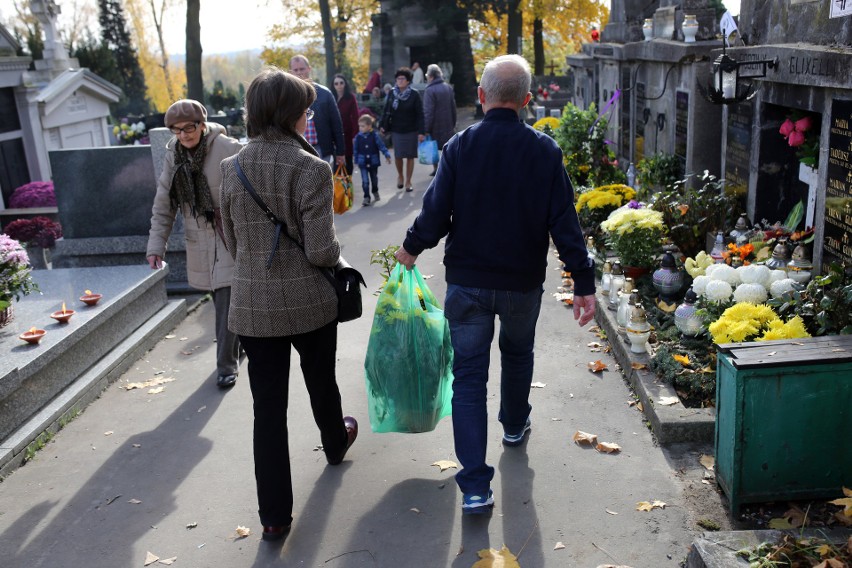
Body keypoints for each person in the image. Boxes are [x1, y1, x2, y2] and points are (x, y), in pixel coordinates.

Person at [393, 55, 596, 516]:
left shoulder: (460, 147)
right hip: (521, 283)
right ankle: (513, 425)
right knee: (518, 353)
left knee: (468, 377)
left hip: (467, 283)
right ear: (526, 101)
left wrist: (410, 249)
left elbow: (435, 212)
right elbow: (564, 222)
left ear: (481, 97)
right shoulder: (545, 151)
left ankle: (476, 487)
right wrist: (582, 282)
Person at [218, 68, 358, 541]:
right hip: (309, 302)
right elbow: (321, 250)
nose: (308, 115)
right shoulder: (311, 168)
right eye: (305, 108)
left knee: (267, 411)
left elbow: (234, 244)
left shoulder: (229, 168)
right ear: (292, 114)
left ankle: (274, 517)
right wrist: (341, 260)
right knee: (322, 381)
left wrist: (260, 269)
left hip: (254, 307)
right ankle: (336, 444)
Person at [146, 99, 242, 389]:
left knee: (226, 301)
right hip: (199, 239)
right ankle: (242, 345)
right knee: (222, 300)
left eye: (189, 128)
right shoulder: (173, 157)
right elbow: (164, 205)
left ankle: (226, 366)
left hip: (229, 237)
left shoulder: (228, 148)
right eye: (177, 130)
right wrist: (155, 246)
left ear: (202, 124)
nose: (184, 135)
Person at [289, 55, 345, 168]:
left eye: (302, 69)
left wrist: (341, 151)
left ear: (309, 69)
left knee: (322, 184)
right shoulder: (286, 95)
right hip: (297, 148)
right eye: (296, 70)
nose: (299, 72)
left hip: (321, 148)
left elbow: (336, 124)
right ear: (290, 72)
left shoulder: (325, 93)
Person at [379, 67, 424, 193]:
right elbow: (386, 111)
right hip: (396, 130)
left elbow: (420, 114)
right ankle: (400, 176)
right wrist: (382, 125)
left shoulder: (414, 94)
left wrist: (421, 132)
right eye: (398, 78)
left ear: (408, 80)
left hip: (411, 129)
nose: (399, 80)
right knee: (398, 155)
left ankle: (408, 181)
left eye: (402, 78)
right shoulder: (392, 93)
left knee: (410, 156)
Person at [423, 64, 457, 177]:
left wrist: (426, 128)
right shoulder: (448, 87)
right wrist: (453, 122)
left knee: (434, 148)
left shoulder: (430, 90)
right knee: (447, 147)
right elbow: (453, 107)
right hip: (448, 123)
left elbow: (428, 111)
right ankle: (448, 168)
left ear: (431, 76)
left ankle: (437, 169)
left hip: (435, 125)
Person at [353, 114, 391, 206]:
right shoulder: (358, 137)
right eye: (359, 126)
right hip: (363, 163)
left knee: (374, 179)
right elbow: (356, 150)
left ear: (369, 126)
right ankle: (366, 197)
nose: (360, 128)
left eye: (363, 126)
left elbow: (381, 146)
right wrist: (356, 161)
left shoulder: (374, 135)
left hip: (373, 162)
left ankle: (375, 190)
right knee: (365, 181)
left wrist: (387, 155)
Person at [332, 73, 360, 175]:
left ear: (345, 84)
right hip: (334, 134)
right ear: (333, 85)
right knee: (336, 161)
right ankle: (338, 187)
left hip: (347, 133)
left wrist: (355, 135)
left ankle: (348, 186)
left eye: (341, 83)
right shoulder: (331, 97)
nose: (339, 86)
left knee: (348, 160)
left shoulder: (350, 97)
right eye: (336, 84)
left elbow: (355, 117)